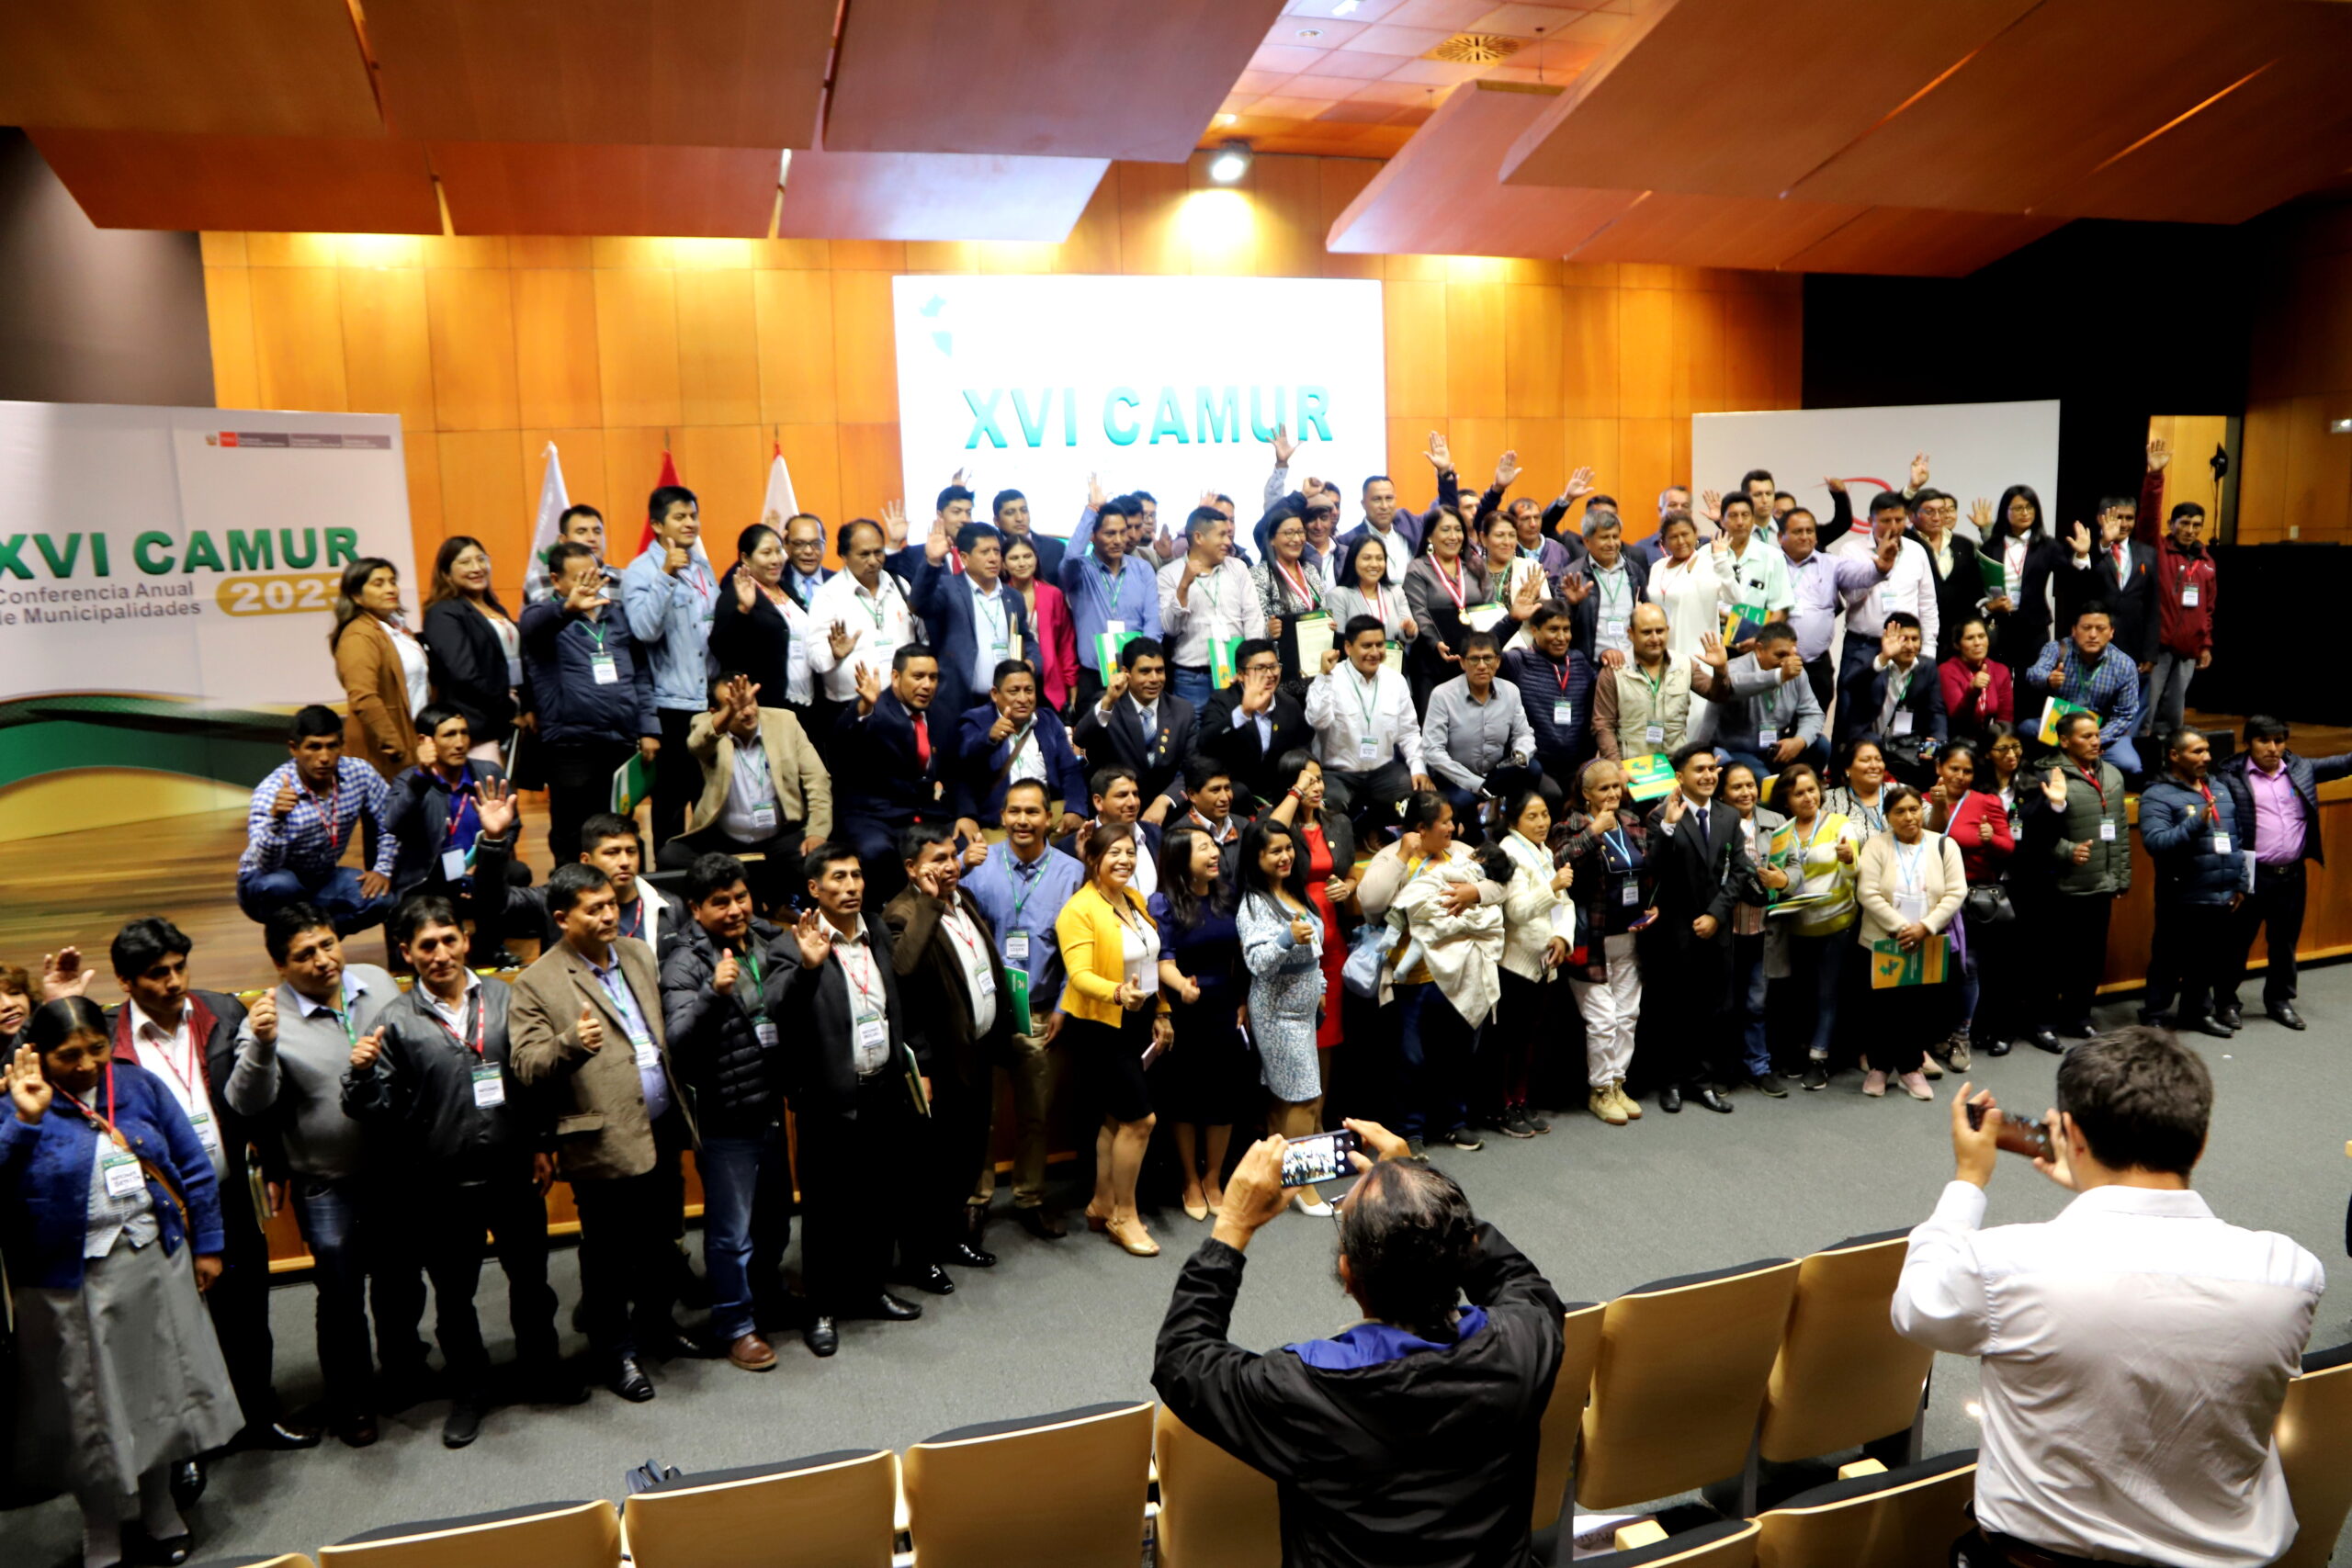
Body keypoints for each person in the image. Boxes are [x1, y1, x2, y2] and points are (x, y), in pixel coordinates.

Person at [1894, 1031, 2324, 1568]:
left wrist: (1969, 1180)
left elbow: (1916, 1307)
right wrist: (2103, 1196)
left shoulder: (2003, 1265)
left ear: (2071, 1133)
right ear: (2203, 1138)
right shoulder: (2290, 1274)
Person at [1152, 1122, 1566, 1568]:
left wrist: (1232, 1226)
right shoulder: (1524, 1343)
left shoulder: (1302, 1389)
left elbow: (1182, 1359)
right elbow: (1522, 1284)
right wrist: (1424, 1200)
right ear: (1462, 1254)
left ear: (1348, 1276)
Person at [4, 1000, 240, 1568]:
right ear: (40, 1053)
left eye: (95, 1049)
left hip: (151, 1263)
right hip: (67, 1282)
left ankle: (159, 1511)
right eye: (68, 1055)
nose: (86, 1064)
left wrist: (208, 1244)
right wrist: (25, 1120)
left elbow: (193, 1164)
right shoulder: (18, 1103)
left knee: (157, 1392)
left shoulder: (138, 1086)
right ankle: (100, 1527)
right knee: (86, 1413)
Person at [343, 896, 576, 1445]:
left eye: (450, 940)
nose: (441, 954)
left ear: (466, 940)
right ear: (406, 954)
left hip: (514, 1171)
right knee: (454, 1298)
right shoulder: (394, 1023)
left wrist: (543, 1143)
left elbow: (531, 1078)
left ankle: (541, 1370)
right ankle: (471, 1392)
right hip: (441, 1185)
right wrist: (359, 1078)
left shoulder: (505, 997)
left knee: (532, 1281)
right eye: (427, 946)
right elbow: (375, 1112)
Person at [103, 919, 317, 1466]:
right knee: (173, 1327)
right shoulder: (108, 1039)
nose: (174, 982)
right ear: (126, 982)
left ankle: (257, 1414)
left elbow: (258, 1092)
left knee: (248, 1315)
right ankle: (192, 1441)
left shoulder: (224, 1012)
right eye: (157, 974)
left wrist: (272, 1160)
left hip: (226, 1193)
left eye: (180, 968)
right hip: (154, 1210)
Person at [223, 904, 422, 1446]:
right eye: (304, 955)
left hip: (394, 1172)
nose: (323, 960)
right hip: (326, 1181)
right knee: (340, 1297)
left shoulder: (378, 984)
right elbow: (245, 1101)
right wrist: (262, 1047)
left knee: (401, 1281)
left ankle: (405, 1372)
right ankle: (352, 1400)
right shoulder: (267, 1020)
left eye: (328, 944)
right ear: (280, 965)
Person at [510, 863, 708, 1402]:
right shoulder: (536, 982)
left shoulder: (640, 954)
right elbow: (526, 1065)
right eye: (593, 909)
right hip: (601, 1139)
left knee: (662, 1239)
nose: (609, 916)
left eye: (612, 906)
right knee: (607, 1256)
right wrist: (571, 1041)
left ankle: (658, 1327)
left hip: (661, 1124)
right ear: (561, 918)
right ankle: (615, 1353)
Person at [756, 843, 930, 1356]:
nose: (852, 886)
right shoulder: (794, 945)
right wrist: (809, 968)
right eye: (839, 878)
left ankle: (870, 1289)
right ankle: (822, 1307)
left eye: (857, 876)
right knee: (827, 1209)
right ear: (814, 889)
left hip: (881, 1086)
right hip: (828, 1099)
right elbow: (777, 1010)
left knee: (878, 1198)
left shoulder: (875, 928)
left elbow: (889, 1001)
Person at [657, 854, 792, 1374]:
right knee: (730, 1232)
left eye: (740, 897)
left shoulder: (766, 937)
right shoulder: (684, 960)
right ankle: (734, 1325)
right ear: (695, 907)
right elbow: (679, 1041)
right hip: (725, 1116)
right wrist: (715, 994)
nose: (735, 909)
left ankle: (767, 1295)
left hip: (770, 1105)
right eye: (720, 902)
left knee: (775, 1218)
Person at [885, 825, 1011, 1280]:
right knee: (929, 1167)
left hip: (976, 1050)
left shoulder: (967, 902)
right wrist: (930, 902)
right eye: (937, 859)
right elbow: (902, 975)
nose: (950, 865)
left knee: (966, 1155)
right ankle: (919, 1258)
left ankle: (951, 1237)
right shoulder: (900, 913)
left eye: (953, 856)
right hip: (937, 1062)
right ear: (911, 868)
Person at [960, 779, 1083, 1239]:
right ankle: (976, 1199)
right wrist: (956, 861)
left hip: (1039, 1011)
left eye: (1032, 812)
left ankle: (1030, 1197)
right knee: (982, 1114)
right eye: (1014, 811)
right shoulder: (979, 863)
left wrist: (1066, 1006)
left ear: (1048, 818)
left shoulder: (1071, 872)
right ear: (1002, 816)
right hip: (988, 1011)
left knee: (1035, 1114)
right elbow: (932, 891)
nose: (1022, 821)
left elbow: (1079, 947)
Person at [1357, 792, 1506, 1155]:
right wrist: (1405, 855)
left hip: (1461, 974)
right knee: (1411, 1059)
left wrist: (1474, 891)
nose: (1453, 827)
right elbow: (1371, 901)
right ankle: (1410, 1131)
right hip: (1412, 977)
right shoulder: (1392, 856)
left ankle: (1453, 1123)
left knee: (1457, 1053)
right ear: (1421, 828)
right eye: (1445, 821)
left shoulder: (1459, 851)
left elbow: (1501, 885)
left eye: (1453, 820)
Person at [1054, 823, 1173, 1258]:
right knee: (1140, 1120)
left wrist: (1161, 1011)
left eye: (1129, 852)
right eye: (1113, 854)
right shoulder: (1078, 910)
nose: (1124, 860)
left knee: (1115, 1120)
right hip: (1101, 1026)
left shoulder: (1134, 900)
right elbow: (1080, 975)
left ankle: (1101, 1203)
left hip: (1138, 1021)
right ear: (1094, 860)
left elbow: (1148, 959)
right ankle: (1124, 1214)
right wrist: (1118, 993)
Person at [519, 541, 661, 866]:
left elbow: (640, 675)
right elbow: (530, 628)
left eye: (595, 574)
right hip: (571, 746)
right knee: (573, 832)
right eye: (580, 577)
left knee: (622, 828)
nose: (591, 583)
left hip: (621, 741)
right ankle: (571, 903)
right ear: (556, 581)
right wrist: (567, 608)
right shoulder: (544, 617)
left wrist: (649, 727)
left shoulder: (617, 615)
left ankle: (627, 901)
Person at [2215, 715, 2351, 1032]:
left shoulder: (2300, 768)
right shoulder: (2230, 776)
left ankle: (2279, 1001)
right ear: (2248, 743)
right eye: (2265, 741)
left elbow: (2343, 764)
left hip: (2292, 874)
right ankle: (2226, 1002)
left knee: (2285, 942)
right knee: (2237, 943)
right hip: (2251, 874)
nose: (2273, 749)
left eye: (2279, 741)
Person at [1641, 744, 1754, 1115]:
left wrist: (1717, 914)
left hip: (1715, 927)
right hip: (1675, 929)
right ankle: (1671, 1082)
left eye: (1712, 769)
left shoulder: (1727, 815)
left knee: (1713, 1009)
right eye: (1699, 770)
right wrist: (1670, 826)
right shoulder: (1661, 816)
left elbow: (1739, 872)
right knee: (1674, 1009)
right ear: (1680, 777)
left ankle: (1703, 1082)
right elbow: (1654, 868)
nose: (1708, 775)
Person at [659, 671, 831, 912]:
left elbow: (817, 779)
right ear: (715, 712)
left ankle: (787, 905)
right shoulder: (706, 726)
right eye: (735, 705)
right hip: (723, 840)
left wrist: (817, 832)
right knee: (670, 857)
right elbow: (697, 744)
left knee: (820, 857)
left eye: (750, 701)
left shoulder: (785, 722)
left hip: (780, 835)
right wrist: (728, 714)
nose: (748, 711)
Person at [1150, 824, 1250, 1224]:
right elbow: (1164, 960)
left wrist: (1242, 998)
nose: (1214, 854)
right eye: (1203, 848)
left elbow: (1239, 956)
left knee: (1222, 1099)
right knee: (1186, 1099)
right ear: (1179, 858)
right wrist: (1181, 989)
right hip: (1183, 1012)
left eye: (1213, 846)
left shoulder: (1227, 897)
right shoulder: (1163, 902)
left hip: (1225, 1008)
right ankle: (1190, 1179)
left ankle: (1213, 1179)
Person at [1236, 818, 1332, 1213]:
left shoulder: (1296, 893)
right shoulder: (1253, 904)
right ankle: (1303, 1188)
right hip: (1277, 1013)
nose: (1285, 856)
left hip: (1305, 1010)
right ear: (1257, 858)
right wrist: (1286, 937)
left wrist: (1321, 989)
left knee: (1284, 1099)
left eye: (1288, 848)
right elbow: (1258, 961)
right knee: (1307, 1098)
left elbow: (1317, 950)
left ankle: (1281, 1177)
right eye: (1274, 850)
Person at [2019, 711, 2130, 1053]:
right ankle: (2042, 1024)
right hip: (2061, 886)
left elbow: (2121, 830)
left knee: (2090, 958)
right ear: (2064, 741)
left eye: (2096, 735)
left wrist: (2122, 876)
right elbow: (2031, 833)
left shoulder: (2112, 774)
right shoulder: (2045, 775)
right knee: (2051, 961)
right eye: (2085, 736)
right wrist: (2067, 851)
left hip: (2101, 881)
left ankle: (2078, 1017)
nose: (2095, 741)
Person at [384, 706, 529, 963]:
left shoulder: (488, 774)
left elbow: (513, 826)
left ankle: (490, 945)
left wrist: (485, 861)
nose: (460, 742)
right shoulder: (408, 780)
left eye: (464, 733)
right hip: (430, 879)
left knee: (516, 873)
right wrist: (421, 779)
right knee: (412, 908)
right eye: (450, 735)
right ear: (425, 741)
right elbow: (393, 823)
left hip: (477, 870)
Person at [832, 645, 977, 901]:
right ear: (896, 677)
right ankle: (890, 922)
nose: (927, 685)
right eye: (918, 676)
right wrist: (863, 709)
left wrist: (965, 814)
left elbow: (957, 771)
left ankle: (956, 918)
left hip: (924, 813)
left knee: (967, 845)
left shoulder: (942, 713)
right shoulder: (873, 707)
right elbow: (842, 742)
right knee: (877, 852)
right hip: (874, 815)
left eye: (933, 678)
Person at [235, 705, 397, 933]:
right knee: (282, 885)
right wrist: (276, 819)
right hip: (263, 882)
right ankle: (289, 944)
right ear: (294, 749)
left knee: (381, 900)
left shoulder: (359, 773)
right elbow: (266, 866)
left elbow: (392, 820)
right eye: (314, 747)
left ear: (342, 745)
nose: (324, 757)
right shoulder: (271, 791)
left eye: (331, 746)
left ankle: (322, 939)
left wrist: (383, 868)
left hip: (321, 878)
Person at [1554, 760, 1652, 1124]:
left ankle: (1617, 1083)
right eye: (1604, 789)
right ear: (1586, 794)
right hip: (1590, 938)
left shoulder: (1632, 822)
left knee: (1628, 1016)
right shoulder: (1571, 827)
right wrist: (1595, 830)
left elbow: (1647, 872)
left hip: (1629, 935)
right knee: (1603, 1020)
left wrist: (1652, 905)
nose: (1613, 794)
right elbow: (1558, 861)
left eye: (1616, 787)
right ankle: (1599, 1089)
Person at [620, 484, 718, 848]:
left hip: (707, 704)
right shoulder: (640, 572)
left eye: (693, 515)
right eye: (680, 517)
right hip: (670, 707)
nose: (690, 523)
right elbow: (644, 630)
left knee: (709, 797)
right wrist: (666, 575)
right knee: (671, 805)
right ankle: (669, 881)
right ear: (658, 525)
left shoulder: (703, 567)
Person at [1853, 785, 1966, 1100]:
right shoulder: (1876, 845)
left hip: (1927, 941)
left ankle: (1911, 1069)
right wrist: (1904, 928)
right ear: (1888, 817)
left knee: (1918, 1008)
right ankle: (1879, 1068)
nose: (1908, 817)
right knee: (1880, 1008)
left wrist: (1925, 927)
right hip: (1882, 941)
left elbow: (1956, 892)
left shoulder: (1945, 844)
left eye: (1914, 809)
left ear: (1923, 810)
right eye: (1899, 811)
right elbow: (1868, 893)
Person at [2137, 729, 2245, 1039]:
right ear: (2174, 755)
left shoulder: (2220, 790)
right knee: (2168, 961)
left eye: (2207, 751)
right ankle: (2155, 1016)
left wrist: (2241, 881)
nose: (2207, 757)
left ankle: (2196, 1012)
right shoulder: (2157, 794)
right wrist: (2195, 823)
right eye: (2197, 752)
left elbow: (2236, 840)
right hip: (2181, 894)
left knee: (2206, 960)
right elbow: (2156, 842)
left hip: (2221, 892)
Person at [1487, 786, 1573, 1137]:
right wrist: (1552, 885)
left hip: (1545, 960)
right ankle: (1501, 1107)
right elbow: (1518, 911)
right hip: (1515, 963)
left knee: (1529, 1040)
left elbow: (1564, 905)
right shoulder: (1509, 852)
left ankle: (1521, 1100)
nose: (1542, 822)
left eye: (1545, 815)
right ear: (1513, 820)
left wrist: (1562, 937)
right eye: (1532, 816)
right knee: (1508, 1042)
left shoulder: (1542, 850)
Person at [1771, 762, 1862, 1090]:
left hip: (1835, 922)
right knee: (1798, 996)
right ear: (1786, 800)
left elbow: (1854, 874)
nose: (1808, 797)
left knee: (1827, 994)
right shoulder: (1783, 830)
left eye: (1812, 790)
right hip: (1794, 925)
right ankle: (1798, 1051)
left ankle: (1818, 1060)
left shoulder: (1839, 823)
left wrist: (1848, 858)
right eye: (1799, 793)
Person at [1265, 751, 1359, 1064]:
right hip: (1296, 941)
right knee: (1297, 1038)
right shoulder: (1277, 821)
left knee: (1329, 1035)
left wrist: (1349, 887)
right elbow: (1269, 833)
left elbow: (1352, 872)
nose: (1317, 786)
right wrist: (1296, 792)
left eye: (1319, 779)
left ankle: (1320, 1113)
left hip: (1332, 942)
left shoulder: (1338, 823)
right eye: (1308, 780)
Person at [1926, 741, 2012, 1072]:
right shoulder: (1921, 800)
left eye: (1967, 771)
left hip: (1971, 899)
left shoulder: (1985, 802)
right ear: (1939, 768)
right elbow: (1920, 842)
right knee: (1933, 970)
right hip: (1931, 898)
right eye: (1954, 769)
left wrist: (1991, 839)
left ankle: (1961, 1035)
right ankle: (1934, 1036)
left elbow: (2007, 847)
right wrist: (1935, 809)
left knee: (1967, 967)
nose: (1960, 777)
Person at [1306, 615, 1433, 829]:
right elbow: (1317, 721)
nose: (1375, 653)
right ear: (1348, 647)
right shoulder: (1330, 678)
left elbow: (1409, 732)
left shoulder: (1396, 681)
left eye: (1379, 645)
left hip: (1382, 771)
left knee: (1418, 799)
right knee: (1326, 803)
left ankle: (1377, 832)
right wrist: (1324, 677)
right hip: (1337, 774)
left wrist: (1418, 768)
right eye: (1366, 646)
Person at [1830, 491, 1940, 723]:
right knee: (1850, 711)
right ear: (1871, 521)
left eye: (1899, 520)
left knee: (1901, 713)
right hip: (1863, 644)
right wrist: (1878, 567)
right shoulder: (1852, 550)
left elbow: (1928, 604)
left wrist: (1928, 651)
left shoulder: (1917, 551)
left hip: (1906, 646)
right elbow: (1851, 595)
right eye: (1885, 520)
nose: (1893, 526)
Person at [2053, 496, 2160, 729]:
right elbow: (2077, 589)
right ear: (2100, 518)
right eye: (2116, 517)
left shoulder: (2148, 554)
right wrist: (2099, 547)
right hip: (2093, 646)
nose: (2123, 523)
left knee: (2133, 708)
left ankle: (2125, 748)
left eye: (2129, 518)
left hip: (2133, 645)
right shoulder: (2087, 548)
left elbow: (2153, 606)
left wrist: (2150, 653)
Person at [1719, 761, 1792, 1097]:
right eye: (1737, 787)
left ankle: (1759, 1067)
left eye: (1750, 785)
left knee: (1756, 1004)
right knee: (1727, 1004)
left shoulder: (1775, 822)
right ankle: (1726, 1067)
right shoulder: (1717, 822)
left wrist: (1785, 880)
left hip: (1764, 929)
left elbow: (1795, 864)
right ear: (1724, 793)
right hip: (1727, 929)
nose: (1746, 792)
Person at [1422, 630, 1540, 837]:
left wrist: (1520, 754)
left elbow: (1524, 734)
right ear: (1462, 663)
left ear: (1498, 661)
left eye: (1488, 658)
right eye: (1474, 659)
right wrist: (1474, 783)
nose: (1482, 665)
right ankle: (1472, 836)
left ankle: (1510, 825)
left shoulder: (1510, 691)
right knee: (1464, 802)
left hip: (1494, 771)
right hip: (1455, 777)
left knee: (1533, 769)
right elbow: (1433, 751)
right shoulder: (1442, 695)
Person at [912, 520, 1033, 720]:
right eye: (985, 552)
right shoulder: (947, 588)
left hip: (1005, 703)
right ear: (965, 558)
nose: (994, 558)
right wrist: (932, 562)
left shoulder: (1012, 596)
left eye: (996, 551)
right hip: (959, 701)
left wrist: (1031, 662)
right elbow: (918, 604)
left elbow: (1026, 638)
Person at [1779, 502, 1894, 711]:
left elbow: (1859, 574)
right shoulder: (1771, 563)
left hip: (1816, 665)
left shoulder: (1830, 563)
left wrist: (1880, 568)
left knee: (1812, 725)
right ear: (1780, 537)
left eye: (1809, 531)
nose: (1805, 536)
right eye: (1797, 531)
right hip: (1775, 664)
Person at [420, 535, 521, 761]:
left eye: (481, 559)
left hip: (508, 720)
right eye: (465, 563)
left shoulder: (496, 609)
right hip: (476, 724)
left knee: (509, 794)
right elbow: (465, 672)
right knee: (489, 793)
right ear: (446, 574)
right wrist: (507, 707)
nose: (476, 568)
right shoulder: (443, 613)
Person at [956, 659, 1087, 831]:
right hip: (999, 822)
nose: (1023, 699)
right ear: (995, 694)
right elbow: (964, 756)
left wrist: (1075, 809)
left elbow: (1070, 770)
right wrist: (989, 738)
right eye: (1014, 691)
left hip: (1047, 818)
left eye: (1029, 690)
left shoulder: (1047, 720)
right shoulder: (976, 721)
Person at [330, 555, 426, 780]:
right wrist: (397, 745)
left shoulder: (397, 628)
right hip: (385, 753)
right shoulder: (358, 634)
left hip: (414, 742)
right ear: (356, 596)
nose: (391, 589)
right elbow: (363, 697)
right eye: (378, 583)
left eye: (392, 581)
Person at [807, 517, 921, 707]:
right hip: (852, 704)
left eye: (878, 552)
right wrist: (834, 654)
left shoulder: (900, 584)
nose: (873, 561)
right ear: (844, 555)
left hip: (902, 700)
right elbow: (815, 658)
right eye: (864, 554)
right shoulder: (828, 596)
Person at [1690, 619, 1826, 780]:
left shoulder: (1796, 672)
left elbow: (1813, 714)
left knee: (1821, 746)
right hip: (1737, 749)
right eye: (1781, 655)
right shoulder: (1735, 668)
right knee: (1762, 780)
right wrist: (1778, 676)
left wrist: (1799, 741)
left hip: (1775, 747)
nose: (1788, 661)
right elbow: (1733, 686)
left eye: (1792, 654)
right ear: (1760, 650)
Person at [707, 522, 812, 727]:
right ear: (745, 558)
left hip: (805, 700)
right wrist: (743, 611)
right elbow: (721, 649)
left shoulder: (787, 588)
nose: (775, 559)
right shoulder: (734, 596)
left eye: (779, 550)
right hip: (764, 705)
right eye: (766, 553)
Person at [1063, 497, 1163, 710]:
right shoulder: (1080, 570)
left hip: (1136, 675)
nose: (1119, 540)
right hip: (1094, 676)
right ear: (1093, 535)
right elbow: (1071, 556)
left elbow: (1153, 623)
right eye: (1110, 533)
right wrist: (1091, 510)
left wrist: (1144, 667)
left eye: (1123, 531)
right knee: (1093, 740)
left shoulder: (1142, 569)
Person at [1073, 636, 1197, 806]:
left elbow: (1192, 769)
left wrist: (1165, 800)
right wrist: (1108, 701)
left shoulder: (1182, 710)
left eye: (1160, 670)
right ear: (1126, 673)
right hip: (1116, 808)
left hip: (1166, 810)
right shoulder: (1108, 704)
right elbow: (1080, 738)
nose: (1154, 679)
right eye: (1145, 671)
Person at [1159, 505, 1260, 710]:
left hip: (1236, 670)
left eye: (1228, 535)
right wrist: (1184, 585)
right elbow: (1170, 628)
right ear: (1199, 537)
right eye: (1221, 535)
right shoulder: (1169, 574)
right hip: (1192, 676)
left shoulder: (1238, 568)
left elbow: (1253, 616)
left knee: (1237, 732)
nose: (1228, 542)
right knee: (1192, 737)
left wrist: (1252, 665)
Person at [2026, 602, 2144, 777]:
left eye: (2100, 628)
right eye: (2086, 628)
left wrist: (2093, 740)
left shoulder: (2124, 665)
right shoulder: (2057, 649)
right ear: (2074, 630)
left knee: (2130, 765)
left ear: (2111, 632)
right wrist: (2048, 679)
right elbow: (2033, 674)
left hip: (2101, 731)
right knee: (2026, 728)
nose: (2093, 635)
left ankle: (2077, 762)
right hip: (2060, 727)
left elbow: (2124, 715)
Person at [1196, 639, 1313, 811]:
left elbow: (1303, 748)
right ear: (1241, 674)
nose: (1270, 674)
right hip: (1236, 790)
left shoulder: (1289, 704)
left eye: (1273, 666)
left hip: (1278, 790)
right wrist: (1243, 712)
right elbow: (1205, 744)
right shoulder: (1222, 700)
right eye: (1260, 669)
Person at [1498, 600, 1596, 795]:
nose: (1561, 637)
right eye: (1553, 629)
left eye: (1566, 629)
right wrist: (1512, 621)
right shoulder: (1519, 661)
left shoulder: (1579, 662)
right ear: (1534, 631)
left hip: (1574, 765)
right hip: (1535, 766)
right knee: (1552, 795)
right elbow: (1484, 650)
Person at [1839, 611, 1947, 782]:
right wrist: (1883, 658)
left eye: (1915, 639)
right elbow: (1850, 684)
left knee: (1934, 756)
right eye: (1904, 639)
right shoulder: (1869, 659)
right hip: (1866, 738)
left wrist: (1938, 740)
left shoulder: (1927, 667)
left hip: (1904, 743)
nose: (1910, 646)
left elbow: (1936, 711)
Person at [2146, 502, 2217, 739]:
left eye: (2197, 525)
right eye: (2184, 523)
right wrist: (2155, 476)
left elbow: (2208, 608)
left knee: (2175, 715)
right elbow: (2148, 519)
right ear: (2171, 524)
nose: (2190, 530)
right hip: (2158, 648)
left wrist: (2205, 645)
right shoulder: (2159, 551)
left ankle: (2170, 762)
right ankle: (2142, 763)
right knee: (2147, 710)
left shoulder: (2206, 562)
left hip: (2188, 649)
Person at [1589, 604, 1693, 761]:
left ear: (1667, 630)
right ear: (1631, 634)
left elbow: (1718, 693)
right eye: (1646, 632)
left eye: (1660, 631)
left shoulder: (1684, 664)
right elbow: (1603, 724)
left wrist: (1720, 670)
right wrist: (1617, 769)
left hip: (1676, 765)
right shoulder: (1614, 669)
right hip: (1631, 766)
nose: (1655, 638)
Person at [1054, 763, 1165, 896]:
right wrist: (1087, 861)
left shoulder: (1155, 834)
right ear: (1098, 802)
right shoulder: (1068, 848)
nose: (1132, 803)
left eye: (1135, 794)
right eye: (1122, 795)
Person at [1251, 505, 1330, 687]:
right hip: (1282, 676)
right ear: (1271, 539)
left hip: (1317, 671)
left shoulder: (1310, 570)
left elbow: (1322, 610)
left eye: (1301, 532)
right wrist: (1267, 631)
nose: (1297, 539)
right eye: (1289, 533)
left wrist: (1328, 625)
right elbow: (1254, 628)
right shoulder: (1259, 575)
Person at [1002, 533, 1078, 716]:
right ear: (1003, 563)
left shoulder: (1053, 594)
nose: (1022, 563)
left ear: (1036, 558)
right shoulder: (1000, 595)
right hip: (1009, 681)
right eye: (1014, 558)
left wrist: (1071, 687)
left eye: (1027, 556)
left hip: (1049, 682)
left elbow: (1065, 645)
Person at [1906, 490, 1985, 660]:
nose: (1937, 517)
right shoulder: (1905, 543)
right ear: (1912, 515)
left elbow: (1976, 588)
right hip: (1915, 635)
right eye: (1929, 511)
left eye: (1942, 511)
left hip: (1957, 639)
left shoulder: (1963, 545)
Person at [1569, 509, 1649, 671]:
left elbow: (1645, 612)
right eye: (1605, 537)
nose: (1612, 543)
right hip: (1592, 667)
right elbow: (1561, 623)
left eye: (1615, 536)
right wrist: (1573, 604)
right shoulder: (1573, 575)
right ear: (1586, 541)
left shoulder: (1634, 571)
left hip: (1632, 664)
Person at [1324, 531, 1418, 649]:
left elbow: (1407, 635)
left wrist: (1409, 630)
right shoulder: (1339, 596)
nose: (1374, 564)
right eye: (1367, 558)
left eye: (1379, 558)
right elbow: (1340, 641)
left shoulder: (1395, 592)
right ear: (1353, 561)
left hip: (1393, 663)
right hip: (1357, 664)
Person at [1938, 615, 2014, 750]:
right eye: (1970, 638)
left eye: (1981, 636)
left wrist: (1999, 748)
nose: (1977, 642)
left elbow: (2004, 718)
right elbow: (1958, 719)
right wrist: (1973, 690)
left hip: (1990, 743)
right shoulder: (1947, 670)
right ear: (1957, 644)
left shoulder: (2000, 670)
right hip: (1957, 743)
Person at [1337, 472, 1419, 585]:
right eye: (1377, 499)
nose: (1384, 506)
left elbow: (1444, 513)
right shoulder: (1347, 542)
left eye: (1389, 498)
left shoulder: (1410, 529)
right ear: (1363, 504)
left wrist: (1444, 476)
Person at [526, 502, 606, 604]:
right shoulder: (540, 578)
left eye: (597, 531)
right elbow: (540, 618)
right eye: (581, 532)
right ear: (563, 540)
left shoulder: (622, 578)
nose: (592, 538)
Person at [992, 486, 1065, 584]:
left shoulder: (1055, 549)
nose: (1019, 518)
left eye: (1024, 510)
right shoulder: (992, 552)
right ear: (997, 521)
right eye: (1010, 513)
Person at [1824, 736, 1894, 837]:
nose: (1874, 766)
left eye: (1878, 760)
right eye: (1865, 760)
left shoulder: (1901, 791)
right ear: (1847, 768)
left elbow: (1924, 817)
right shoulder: (1828, 800)